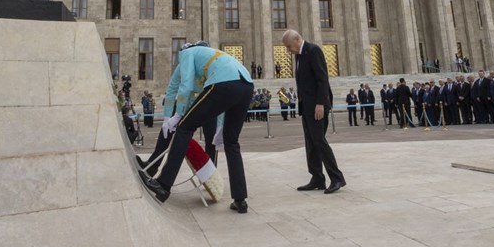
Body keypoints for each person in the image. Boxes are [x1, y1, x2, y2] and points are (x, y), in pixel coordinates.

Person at [141, 42, 254, 213]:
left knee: (184, 128)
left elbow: (185, 86)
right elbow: (221, 100)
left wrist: (178, 115)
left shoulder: (187, 53)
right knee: (231, 142)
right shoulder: (212, 54)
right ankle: (240, 199)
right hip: (246, 84)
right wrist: (221, 129)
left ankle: (163, 184)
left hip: (224, 83)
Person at [282, 29, 345, 193]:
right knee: (310, 143)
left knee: (319, 141)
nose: (288, 50)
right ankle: (317, 177)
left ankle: (337, 178)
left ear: (297, 39)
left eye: (289, 46)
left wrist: (320, 103)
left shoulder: (313, 50)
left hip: (317, 106)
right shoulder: (299, 55)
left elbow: (322, 78)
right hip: (307, 106)